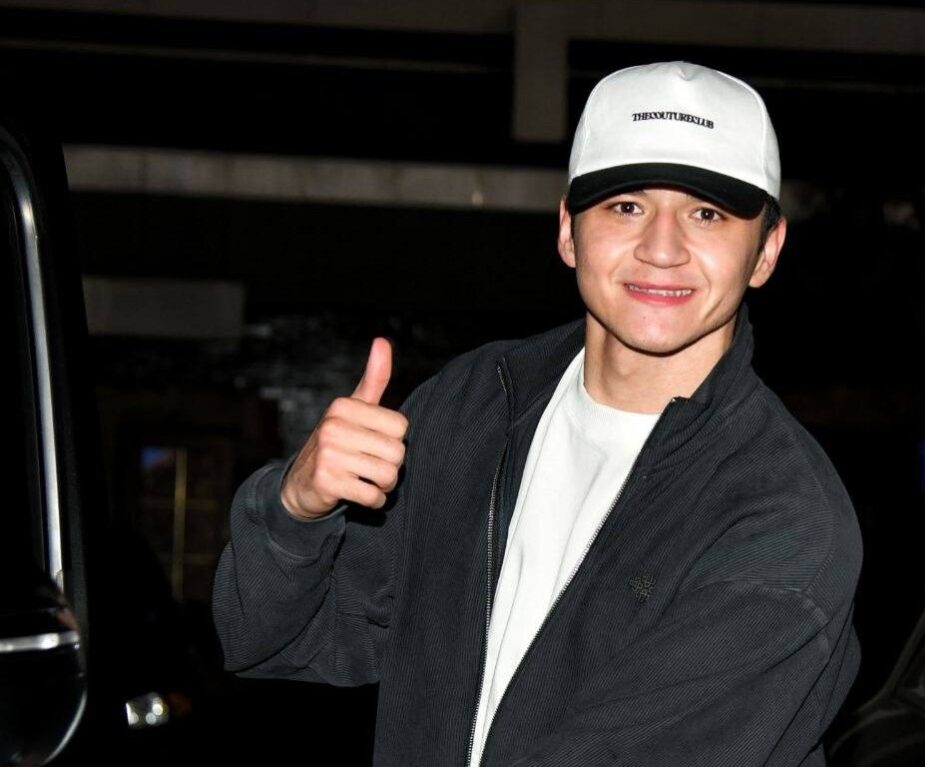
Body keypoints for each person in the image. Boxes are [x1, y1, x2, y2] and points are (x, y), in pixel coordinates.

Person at [213, 60, 862, 767]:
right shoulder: (477, 405)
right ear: (567, 231)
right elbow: (279, 640)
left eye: (706, 214)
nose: (661, 248)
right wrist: (295, 511)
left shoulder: (783, 518)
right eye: (626, 206)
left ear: (766, 250)